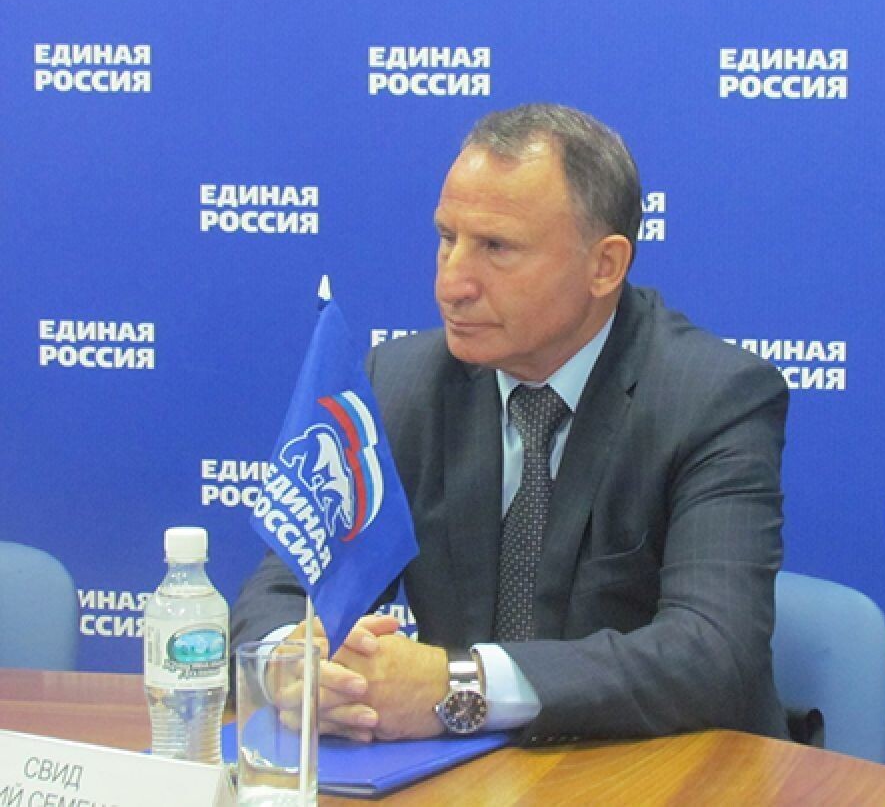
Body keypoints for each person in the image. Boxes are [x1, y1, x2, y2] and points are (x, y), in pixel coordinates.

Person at [231, 103, 791, 746]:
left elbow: (714, 654)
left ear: (605, 266)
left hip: (657, 769)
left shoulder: (712, 397)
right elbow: (287, 585)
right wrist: (295, 667)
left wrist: (459, 686)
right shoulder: (401, 382)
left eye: (496, 248)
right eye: (447, 238)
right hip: (465, 776)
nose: (452, 284)